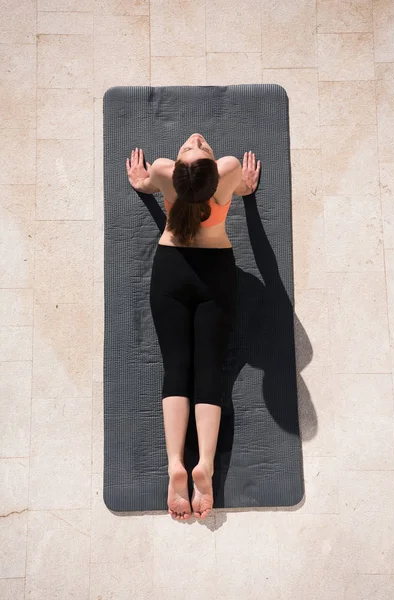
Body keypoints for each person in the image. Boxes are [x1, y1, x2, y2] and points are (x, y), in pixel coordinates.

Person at [126, 134, 261, 520]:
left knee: (176, 369)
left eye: (191, 147)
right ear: (213, 173)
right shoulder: (228, 171)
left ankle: (175, 466)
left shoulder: (164, 171)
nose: (196, 138)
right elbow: (244, 186)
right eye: (196, 147)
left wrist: (140, 182)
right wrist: (246, 187)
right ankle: (204, 462)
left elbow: (146, 183)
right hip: (216, 272)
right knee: (210, 370)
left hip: (171, 271)